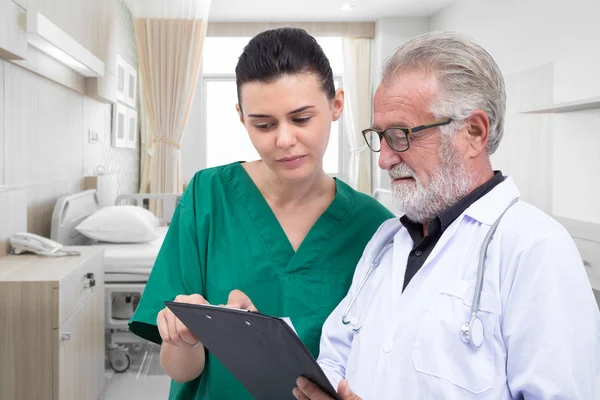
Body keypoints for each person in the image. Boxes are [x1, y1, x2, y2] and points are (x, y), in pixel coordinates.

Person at [292, 32, 600, 400]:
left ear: (473, 132)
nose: (384, 159)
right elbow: (336, 356)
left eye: (401, 135)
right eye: (380, 136)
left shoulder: (535, 248)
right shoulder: (387, 241)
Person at [128, 27, 394, 399]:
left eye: (301, 119)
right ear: (241, 117)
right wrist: (185, 338)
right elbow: (181, 370)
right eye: (264, 125)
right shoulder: (208, 197)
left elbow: (377, 366)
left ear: (336, 105)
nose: (284, 140)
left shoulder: (375, 228)